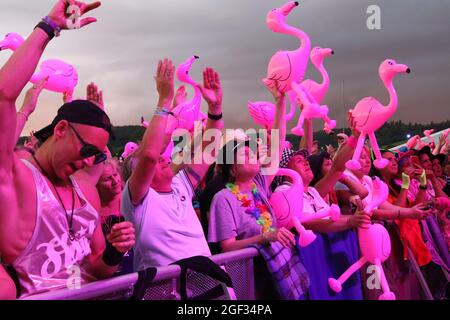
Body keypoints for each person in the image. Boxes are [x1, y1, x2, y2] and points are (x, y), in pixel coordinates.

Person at [0, 0, 134, 299]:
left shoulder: (85, 189)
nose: (89, 161)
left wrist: (115, 250)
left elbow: (97, 269)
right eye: (86, 148)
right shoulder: (16, 178)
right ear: (60, 130)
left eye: (96, 155)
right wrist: (49, 27)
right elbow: (3, 96)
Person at [121, 59, 224, 270]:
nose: (160, 157)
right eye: (147, 163)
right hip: (171, 291)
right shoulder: (139, 200)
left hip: (213, 287)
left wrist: (215, 108)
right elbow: (150, 155)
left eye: (161, 154)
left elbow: (210, 149)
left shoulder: (181, 184)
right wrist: (165, 100)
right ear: (136, 175)